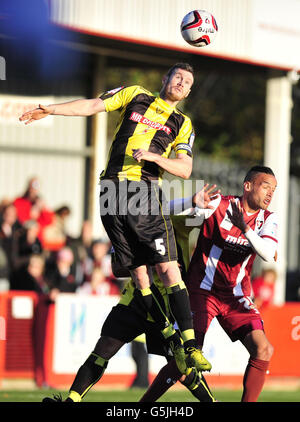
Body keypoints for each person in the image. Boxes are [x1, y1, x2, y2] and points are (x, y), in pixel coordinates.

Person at [19, 62, 210, 372]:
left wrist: (153, 157)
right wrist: (51, 109)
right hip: (110, 192)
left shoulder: (181, 123)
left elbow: (185, 169)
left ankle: (189, 345)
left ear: (188, 91)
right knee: (137, 275)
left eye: (187, 81)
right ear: (165, 78)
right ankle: (168, 335)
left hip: (143, 190)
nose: (180, 82)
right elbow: (93, 105)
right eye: (177, 76)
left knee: (166, 267)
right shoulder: (135, 94)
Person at [41, 184, 218, 403]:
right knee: (103, 348)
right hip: (136, 299)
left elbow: (201, 217)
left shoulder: (171, 218)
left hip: (168, 302)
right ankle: (71, 400)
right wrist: (142, 264)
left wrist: (197, 203)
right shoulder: (125, 227)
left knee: (181, 366)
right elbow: (116, 268)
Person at [143, 165, 278, 403]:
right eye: (266, 186)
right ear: (247, 186)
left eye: (274, 190)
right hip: (202, 291)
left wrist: (244, 228)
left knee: (264, 349)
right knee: (185, 359)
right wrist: (191, 202)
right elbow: (169, 211)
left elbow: (268, 253)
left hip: (236, 296)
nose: (270, 194)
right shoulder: (219, 204)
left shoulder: (268, 219)